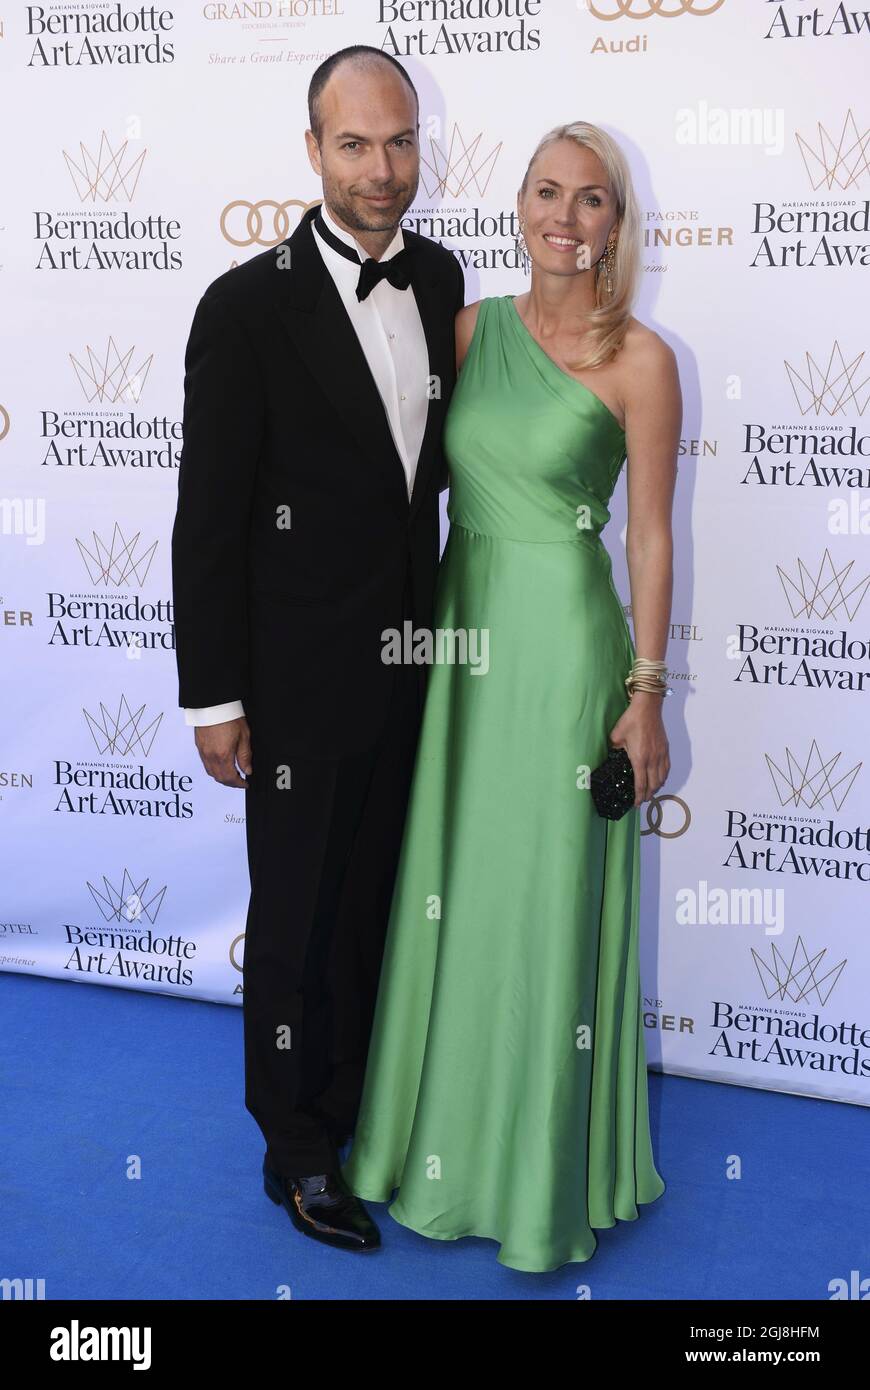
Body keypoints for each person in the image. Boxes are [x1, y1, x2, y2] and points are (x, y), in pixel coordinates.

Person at [342, 122, 680, 1272]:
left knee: (541, 897)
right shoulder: (471, 328)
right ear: (519, 204)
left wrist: (645, 694)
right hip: (460, 639)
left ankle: (537, 1177)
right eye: (548, 192)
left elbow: (648, 536)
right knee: (453, 886)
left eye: (591, 201)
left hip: (564, 649)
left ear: (615, 225)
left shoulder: (642, 359)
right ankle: (426, 1139)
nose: (565, 218)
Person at [170, 46, 464, 1252]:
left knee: (373, 909)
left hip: (413, 667)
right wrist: (214, 697)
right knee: (293, 919)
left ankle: (356, 1113)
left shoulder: (443, 280)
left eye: (400, 142)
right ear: (313, 153)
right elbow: (209, 518)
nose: (383, 169)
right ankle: (294, 1148)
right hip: (290, 680)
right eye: (356, 144)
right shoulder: (245, 307)